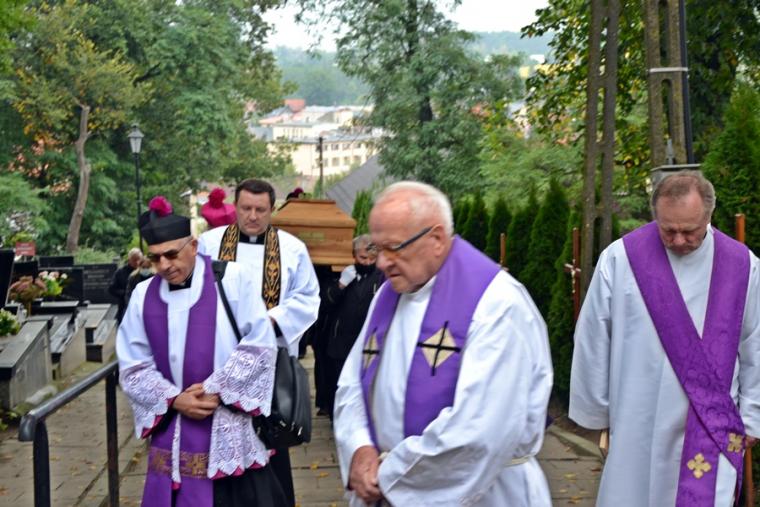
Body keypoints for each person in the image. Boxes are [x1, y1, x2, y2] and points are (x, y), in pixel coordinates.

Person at [333, 181, 553, 506]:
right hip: (384, 483)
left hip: (481, 493)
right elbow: (353, 382)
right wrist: (359, 448)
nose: (381, 263)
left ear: (436, 239)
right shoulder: (388, 295)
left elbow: (479, 430)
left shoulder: (497, 304)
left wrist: (388, 475)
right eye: (378, 249)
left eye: (393, 248)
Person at [569, 171, 760, 506]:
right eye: (668, 230)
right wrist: (597, 413)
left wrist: (752, 417)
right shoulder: (621, 258)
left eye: (689, 231)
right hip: (636, 419)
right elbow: (594, 337)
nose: (678, 240)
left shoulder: (743, 266)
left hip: (711, 426)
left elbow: (755, 343)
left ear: (709, 216)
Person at [116, 195, 287, 506]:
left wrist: (217, 388)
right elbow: (133, 365)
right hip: (174, 430)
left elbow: (260, 344)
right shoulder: (142, 295)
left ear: (193, 246)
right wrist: (174, 399)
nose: (164, 266)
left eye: (171, 254)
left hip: (228, 425)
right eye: (155, 258)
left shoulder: (232, 279)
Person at [198, 178, 320, 506]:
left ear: (272, 209)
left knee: (268, 440)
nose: (253, 216)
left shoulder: (292, 249)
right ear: (235, 207)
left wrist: (269, 320)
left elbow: (308, 298)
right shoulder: (209, 244)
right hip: (219, 362)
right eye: (246, 208)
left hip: (269, 365)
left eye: (260, 209)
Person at [322, 234, 383, 418]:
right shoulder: (340, 273)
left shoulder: (381, 277)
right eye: (363, 258)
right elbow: (325, 303)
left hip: (367, 341)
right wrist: (341, 285)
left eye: (372, 259)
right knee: (338, 382)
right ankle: (337, 417)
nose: (367, 263)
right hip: (341, 339)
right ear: (354, 255)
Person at [108, 247, 142, 322]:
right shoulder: (120, 272)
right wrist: (126, 293)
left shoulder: (144, 271)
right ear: (129, 260)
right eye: (134, 260)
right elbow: (112, 289)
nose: (137, 262)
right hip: (124, 307)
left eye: (139, 259)